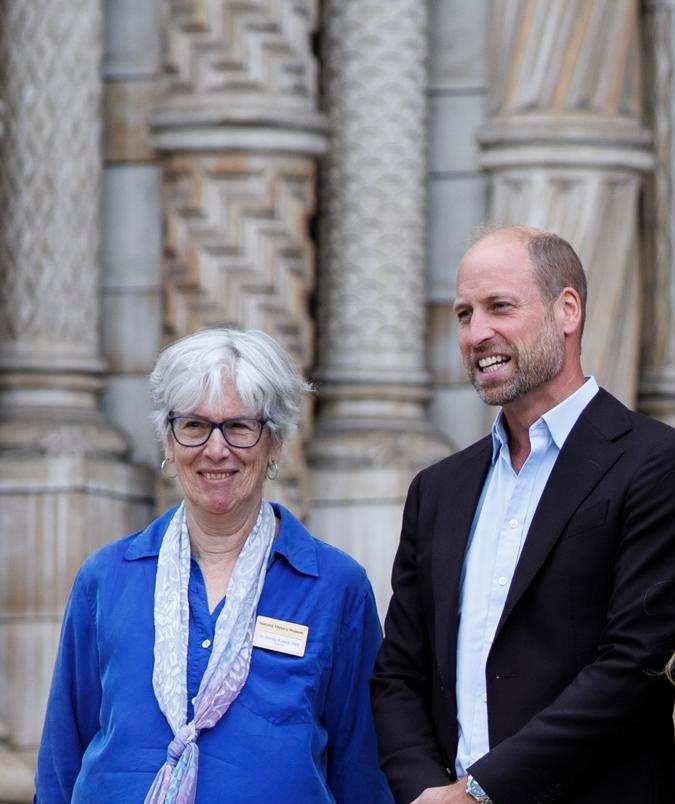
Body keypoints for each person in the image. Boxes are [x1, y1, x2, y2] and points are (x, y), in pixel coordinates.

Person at [371, 226, 675, 804]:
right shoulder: (438, 490)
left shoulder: (654, 464)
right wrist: (424, 792)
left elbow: (634, 668)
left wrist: (479, 792)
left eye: (499, 307)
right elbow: (399, 675)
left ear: (567, 310)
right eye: (463, 314)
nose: (476, 333)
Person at [35, 328, 394, 804]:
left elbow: (361, 770)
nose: (216, 449)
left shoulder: (334, 586)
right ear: (168, 441)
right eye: (194, 425)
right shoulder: (106, 578)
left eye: (241, 427)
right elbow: (62, 758)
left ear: (275, 445)